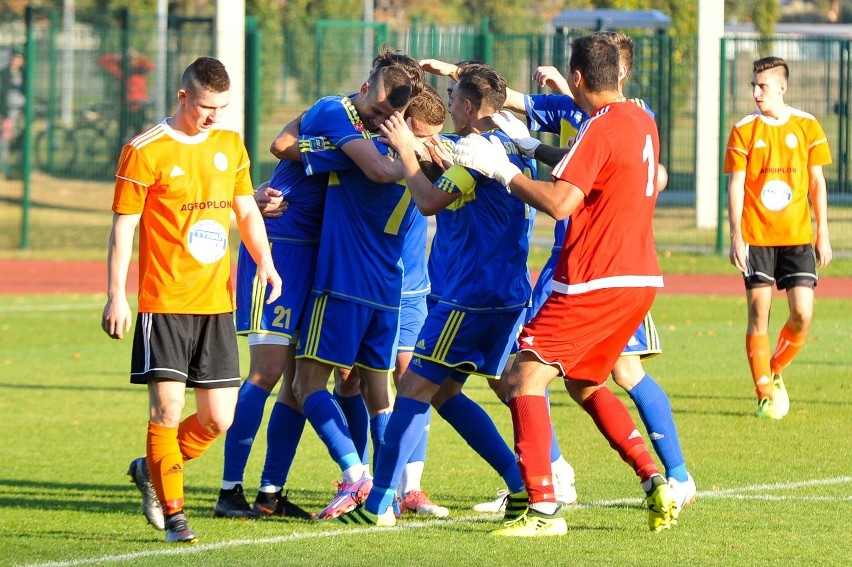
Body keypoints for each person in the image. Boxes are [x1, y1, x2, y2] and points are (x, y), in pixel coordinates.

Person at [452, 33, 677, 536]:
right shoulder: (640, 120)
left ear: (576, 78)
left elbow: (560, 203)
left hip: (594, 279)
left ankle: (544, 508)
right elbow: (593, 167)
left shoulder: (599, 127)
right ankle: (655, 479)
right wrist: (534, 147)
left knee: (522, 380)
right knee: (585, 381)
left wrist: (503, 169)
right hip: (638, 278)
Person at [335, 63, 534, 528]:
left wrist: (406, 151)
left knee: (414, 387)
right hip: (506, 292)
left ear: (466, 106)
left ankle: (379, 502)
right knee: (460, 390)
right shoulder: (509, 145)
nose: (446, 105)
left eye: (451, 98)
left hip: (470, 296)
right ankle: (527, 482)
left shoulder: (474, 153)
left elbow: (427, 201)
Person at [101, 56, 282, 544]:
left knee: (218, 418)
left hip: (216, 305)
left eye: (221, 107)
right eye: (206, 106)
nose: (213, 117)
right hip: (163, 303)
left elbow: (246, 211)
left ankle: (152, 468)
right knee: (165, 409)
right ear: (184, 97)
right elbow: (124, 229)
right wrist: (117, 296)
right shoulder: (144, 150)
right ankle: (176, 517)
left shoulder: (228, 144)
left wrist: (264, 260)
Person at [724, 56, 832, 419]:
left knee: (802, 313)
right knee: (759, 313)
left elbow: (817, 182)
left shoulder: (807, 126)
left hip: (798, 236)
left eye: (763, 86)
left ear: (782, 87)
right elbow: (736, 185)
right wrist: (736, 234)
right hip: (756, 237)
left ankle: (775, 367)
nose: (756, 92)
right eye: (753, 85)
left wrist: (824, 234)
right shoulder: (743, 129)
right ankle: (764, 394)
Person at [99, 50, 155, 137]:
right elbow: (103, 61)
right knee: (124, 133)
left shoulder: (139, 69)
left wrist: (137, 56)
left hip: (139, 105)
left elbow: (150, 65)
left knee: (139, 131)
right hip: (126, 105)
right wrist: (117, 56)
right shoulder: (122, 71)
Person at [0, 48, 25, 178]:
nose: (17, 60)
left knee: (20, 139)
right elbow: (2, 94)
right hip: (9, 112)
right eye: (16, 57)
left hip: (21, 112)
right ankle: (5, 167)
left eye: (20, 58)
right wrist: (5, 114)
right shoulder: (4, 73)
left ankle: (18, 165)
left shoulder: (23, 73)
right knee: (5, 139)